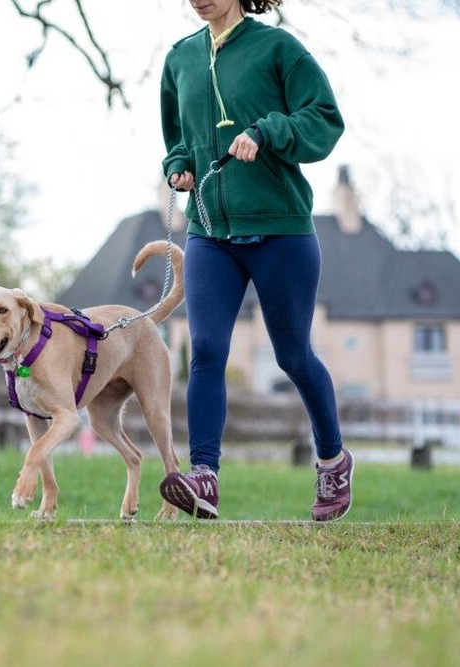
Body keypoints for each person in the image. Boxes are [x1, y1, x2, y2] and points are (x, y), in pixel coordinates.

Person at [158, 0, 353, 521]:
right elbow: (176, 138)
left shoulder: (278, 49)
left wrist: (268, 132)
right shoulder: (180, 59)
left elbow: (324, 119)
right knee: (205, 349)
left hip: (280, 230)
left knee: (292, 356)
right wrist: (179, 165)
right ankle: (204, 476)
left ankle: (333, 460)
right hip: (209, 233)